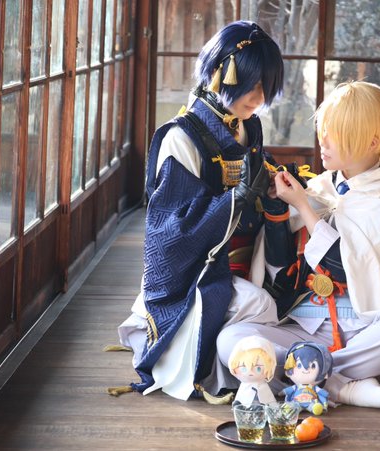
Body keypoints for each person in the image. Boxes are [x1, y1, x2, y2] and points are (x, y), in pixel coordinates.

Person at [216, 81, 380, 413]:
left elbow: (344, 269)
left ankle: (309, 375)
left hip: (367, 335)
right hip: (308, 329)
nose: (323, 141)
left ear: (372, 141)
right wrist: (278, 209)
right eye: (323, 131)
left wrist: (304, 207)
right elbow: (281, 270)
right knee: (231, 340)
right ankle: (344, 387)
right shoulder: (322, 188)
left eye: (335, 134)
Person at [116, 21, 301, 401]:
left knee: (296, 280)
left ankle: (283, 363)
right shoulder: (180, 137)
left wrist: (273, 183)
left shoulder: (249, 125)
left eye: (266, 87)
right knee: (262, 305)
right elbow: (171, 234)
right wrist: (237, 198)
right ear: (221, 73)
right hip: (197, 271)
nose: (259, 98)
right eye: (252, 85)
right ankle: (265, 369)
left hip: (246, 257)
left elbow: (257, 176)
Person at [281, 341, 332, 415]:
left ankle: (315, 408)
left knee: (313, 406)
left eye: (313, 366)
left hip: (311, 402)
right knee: (294, 406)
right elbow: (285, 391)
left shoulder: (314, 388)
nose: (305, 370)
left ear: (325, 374)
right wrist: (281, 393)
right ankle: (290, 408)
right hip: (296, 402)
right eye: (299, 365)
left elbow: (324, 394)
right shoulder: (295, 387)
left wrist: (326, 395)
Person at [228, 335, 277, 407]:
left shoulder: (263, 387)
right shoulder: (243, 387)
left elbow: (270, 404)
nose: (250, 372)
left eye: (258, 368)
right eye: (244, 368)